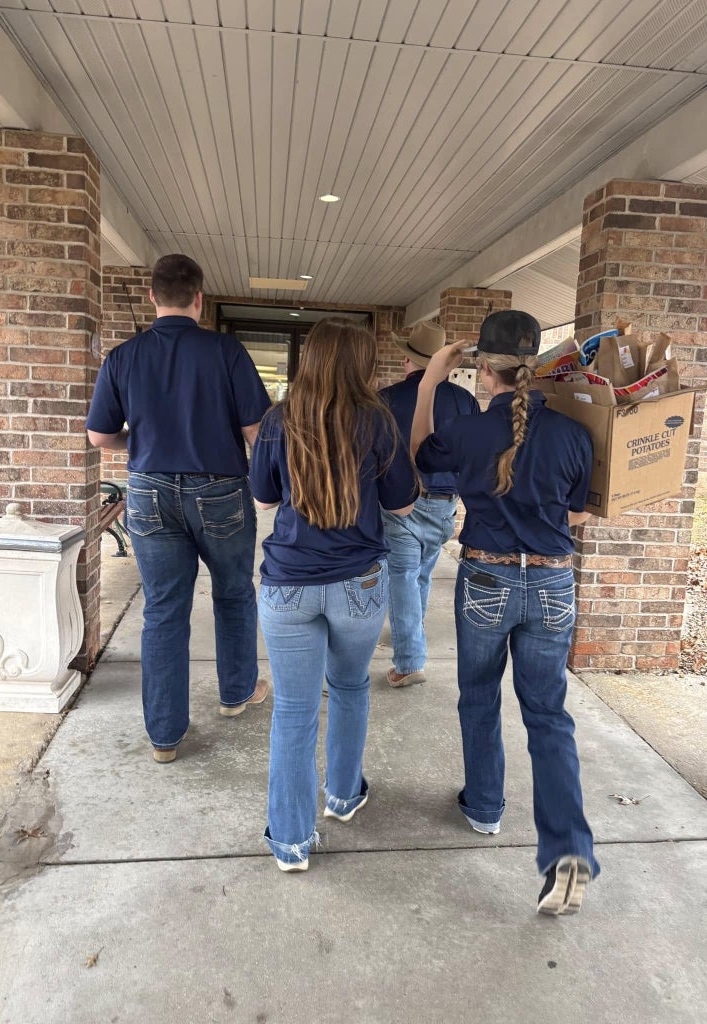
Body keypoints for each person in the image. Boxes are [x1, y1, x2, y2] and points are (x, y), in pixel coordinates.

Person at [410, 309, 600, 916]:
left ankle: (486, 807)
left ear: (482, 369)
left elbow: (417, 458)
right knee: (548, 716)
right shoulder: (574, 435)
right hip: (552, 583)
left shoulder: (465, 430)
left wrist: (429, 383)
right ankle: (567, 849)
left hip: (487, 576)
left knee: (479, 696)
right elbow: (577, 513)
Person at [86, 254, 272, 763]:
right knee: (234, 594)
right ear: (200, 298)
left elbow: (101, 436)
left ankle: (165, 738)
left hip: (148, 491)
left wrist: (138, 443)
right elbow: (258, 432)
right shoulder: (226, 352)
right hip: (220, 491)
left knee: (164, 610)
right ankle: (236, 694)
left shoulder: (122, 358)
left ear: (151, 296)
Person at [249, 317, 417, 872]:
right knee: (349, 687)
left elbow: (265, 499)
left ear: (310, 360)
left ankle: (292, 841)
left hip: (288, 586)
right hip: (358, 585)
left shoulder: (279, 421)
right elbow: (402, 505)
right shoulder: (378, 422)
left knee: (294, 712)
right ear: (361, 365)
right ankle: (343, 796)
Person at [379, 321, 480, 687]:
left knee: (402, 577)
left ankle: (409, 660)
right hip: (445, 501)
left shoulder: (386, 398)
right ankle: (411, 634)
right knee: (419, 574)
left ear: (408, 359)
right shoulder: (465, 400)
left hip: (400, 500)